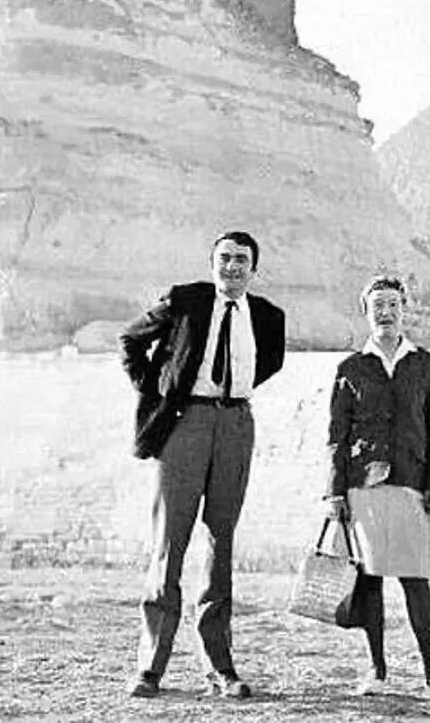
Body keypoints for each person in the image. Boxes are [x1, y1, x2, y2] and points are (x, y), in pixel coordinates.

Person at [118, 231, 285, 700]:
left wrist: (231, 400)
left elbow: (268, 364)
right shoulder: (186, 301)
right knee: (170, 542)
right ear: (212, 263)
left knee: (221, 543)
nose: (232, 267)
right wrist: (157, 388)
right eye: (224, 258)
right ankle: (150, 667)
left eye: (241, 260)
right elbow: (131, 339)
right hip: (185, 424)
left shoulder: (269, 316)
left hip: (236, 425)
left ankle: (221, 667)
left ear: (254, 269)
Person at [325, 275, 430, 702]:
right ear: (365, 311)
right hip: (364, 487)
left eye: (393, 304)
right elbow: (336, 437)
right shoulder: (351, 368)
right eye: (377, 304)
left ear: (404, 309)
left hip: (412, 484)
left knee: (416, 579)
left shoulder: (424, 364)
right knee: (371, 581)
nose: (386, 312)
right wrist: (335, 493)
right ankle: (377, 669)